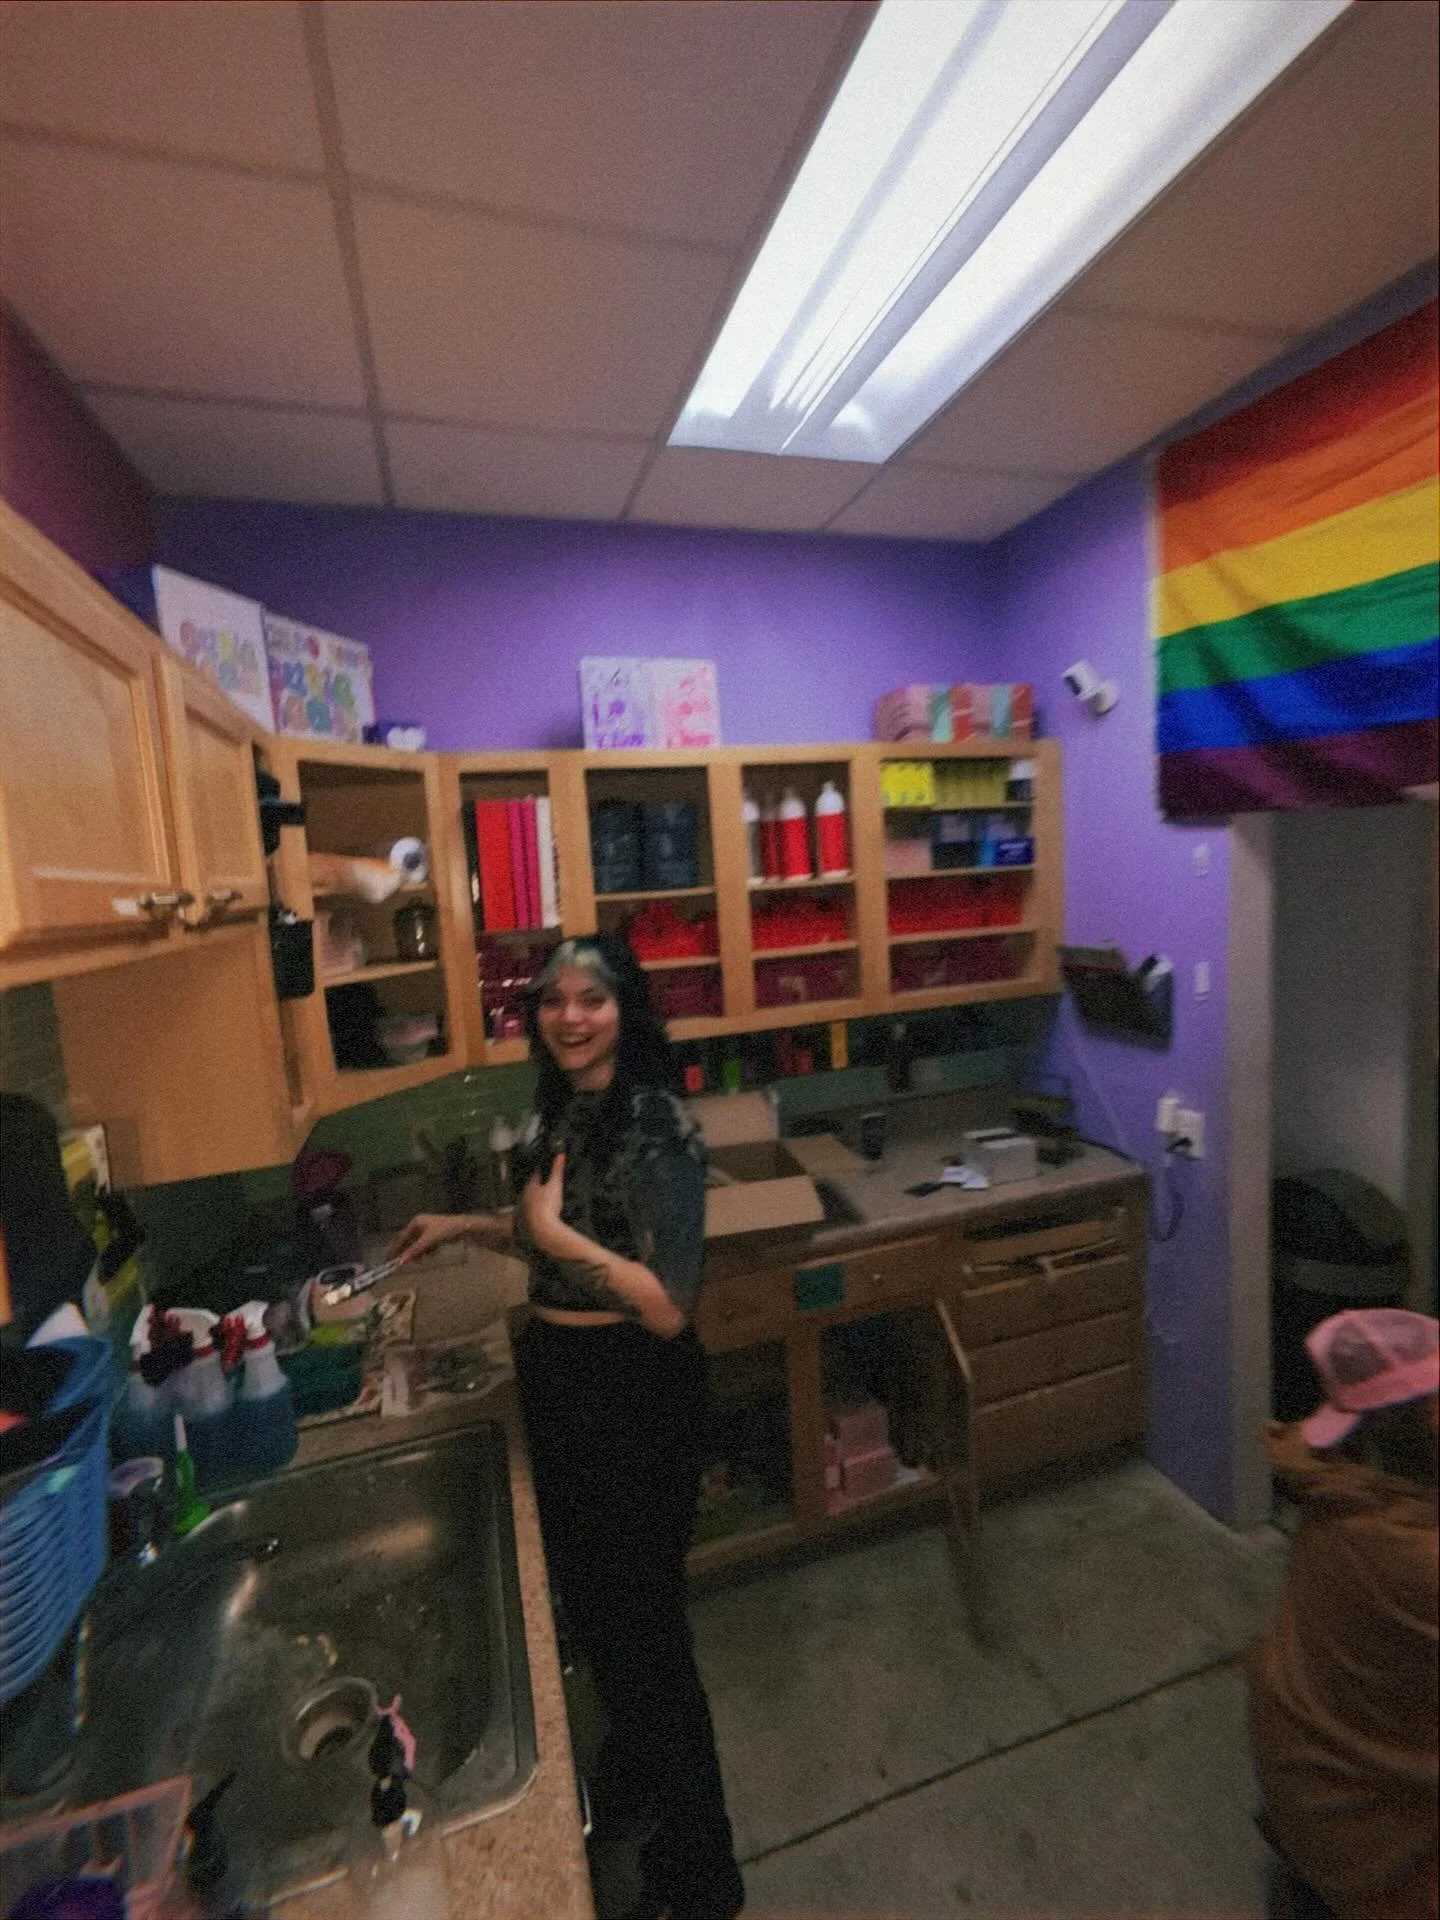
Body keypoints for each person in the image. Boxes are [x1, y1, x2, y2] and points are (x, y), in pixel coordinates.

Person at [391, 933, 744, 1920]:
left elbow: (666, 1298)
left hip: (633, 1389)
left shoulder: (657, 1121)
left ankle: (706, 1872)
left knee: (646, 1638)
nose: (571, 1014)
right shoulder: (563, 1108)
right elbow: (559, 1224)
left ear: (626, 1010)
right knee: (600, 1615)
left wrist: (545, 1236)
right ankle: (634, 1778)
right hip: (563, 1379)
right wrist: (469, 1226)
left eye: (593, 997)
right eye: (554, 998)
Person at [1248, 1307, 1438, 1920]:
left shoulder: (1345, 1492)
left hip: (1302, 1786)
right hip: (1369, 1841)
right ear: (1427, 1420)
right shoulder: (1409, 1553)